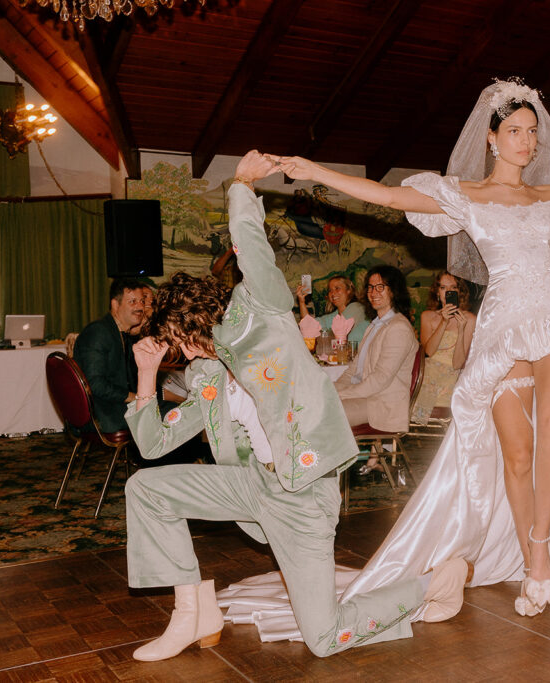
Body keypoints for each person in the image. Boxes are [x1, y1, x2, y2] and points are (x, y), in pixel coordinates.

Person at [262, 77, 550, 619]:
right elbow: (386, 196)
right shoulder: (465, 196)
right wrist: (314, 171)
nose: (527, 142)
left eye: (533, 132)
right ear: (492, 139)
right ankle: (528, 555)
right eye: (516, 132)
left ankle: (541, 550)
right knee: (517, 451)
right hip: (503, 328)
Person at [121, 151, 470, 662]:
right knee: (146, 488)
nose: (187, 354)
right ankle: (192, 612)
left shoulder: (257, 310)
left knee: (323, 638)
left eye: (183, 341)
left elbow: (252, 248)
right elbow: (153, 446)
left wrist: (240, 184)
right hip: (251, 484)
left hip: (302, 494)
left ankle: (433, 583)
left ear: (198, 324)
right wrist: (148, 376)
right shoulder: (209, 378)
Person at [334, 265, 418, 472]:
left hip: (382, 403)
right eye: (371, 287)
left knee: (329, 412)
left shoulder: (398, 327)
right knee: (316, 405)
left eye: (381, 287)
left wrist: (341, 395)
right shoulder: (375, 325)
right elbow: (353, 370)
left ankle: (328, 479)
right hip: (367, 398)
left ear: (394, 290)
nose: (373, 293)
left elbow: (380, 379)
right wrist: (333, 389)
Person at [75, 278, 148, 432]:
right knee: (172, 415)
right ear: (115, 305)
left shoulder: (123, 334)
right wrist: (136, 397)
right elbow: (94, 384)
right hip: (103, 414)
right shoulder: (99, 332)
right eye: (132, 301)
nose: (140, 307)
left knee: (175, 411)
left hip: (116, 408)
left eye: (142, 301)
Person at [411, 271, 476, 425]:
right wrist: (444, 322)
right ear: (437, 292)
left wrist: (461, 331)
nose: (448, 292)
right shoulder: (428, 316)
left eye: (453, 288)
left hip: (452, 374)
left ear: (459, 292)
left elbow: (457, 363)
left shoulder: (470, 319)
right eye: (443, 288)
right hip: (428, 372)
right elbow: (429, 351)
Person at [296, 275, 369, 344]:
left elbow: (339, 335)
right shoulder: (335, 315)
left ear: (349, 290)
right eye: (330, 290)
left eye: (337, 288)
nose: (333, 293)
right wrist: (302, 302)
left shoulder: (356, 308)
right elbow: (309, 325)